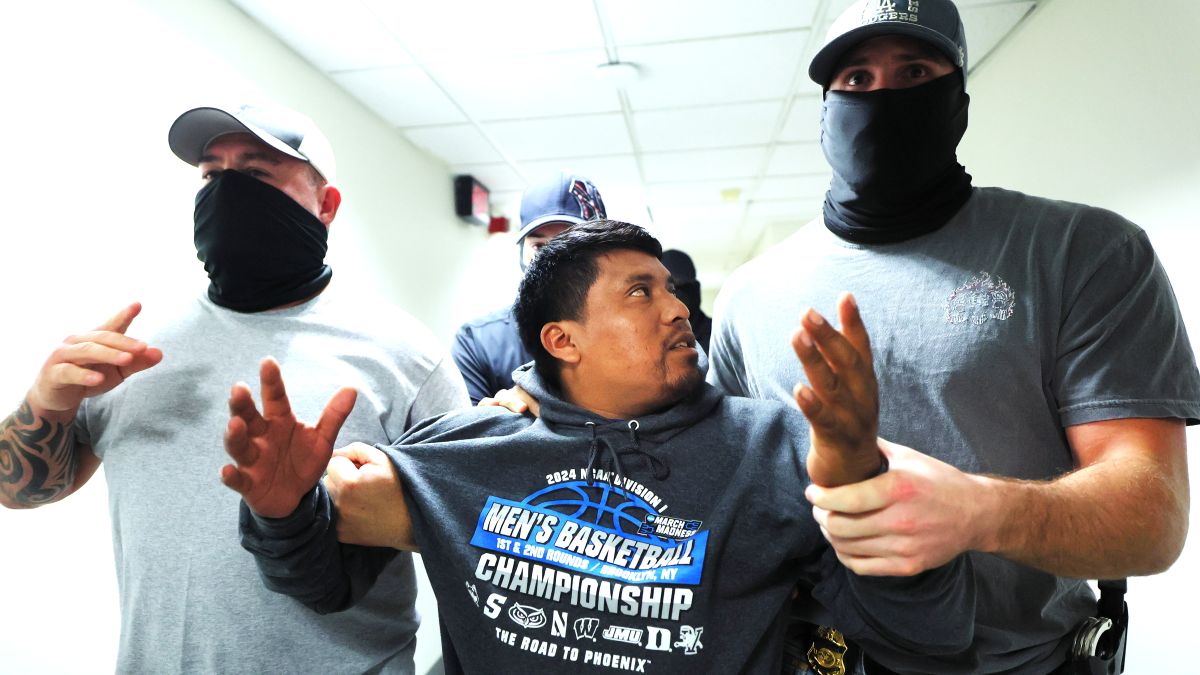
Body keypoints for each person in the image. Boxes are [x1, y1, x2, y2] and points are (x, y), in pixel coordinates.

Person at [221, 222, 977, 674]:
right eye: (641, 292)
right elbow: (323, 581)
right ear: (563, 339)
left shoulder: (773, 448)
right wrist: (284, 511)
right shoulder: (467, 448)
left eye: (675, 289)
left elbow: (928, 636)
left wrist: (861, 483)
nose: (679, 308)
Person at [706, 1, 1200, 673]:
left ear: (958, 101)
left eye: (914, 72)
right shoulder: (747, 296)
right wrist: (548, 402)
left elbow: (1154, 517)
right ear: (825, 107)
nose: (882, 96)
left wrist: (981, 512)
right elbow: (728, 497)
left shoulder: (1081, 252)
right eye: (856, 79)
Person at [0, 103, 468, 673]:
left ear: (326, 204)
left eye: (255, 174)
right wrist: (46, 404)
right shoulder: (135, 342)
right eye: (212, 175)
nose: (227, 193)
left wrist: (310, 510)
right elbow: (22, 491)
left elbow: (462, 541)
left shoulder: (404, 356)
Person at [452, 171, 606, 404]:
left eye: (571, 245)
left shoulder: (632, 331)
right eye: (539, 246)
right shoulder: (479, 341)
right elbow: (458, 434)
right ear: (522, 252)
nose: (553, 259)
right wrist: (494, 420)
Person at [660, 249, 712, 353]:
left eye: (682, 287)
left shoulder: (718, 334)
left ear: (695, 288)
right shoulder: (653, 339)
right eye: (671, 290)